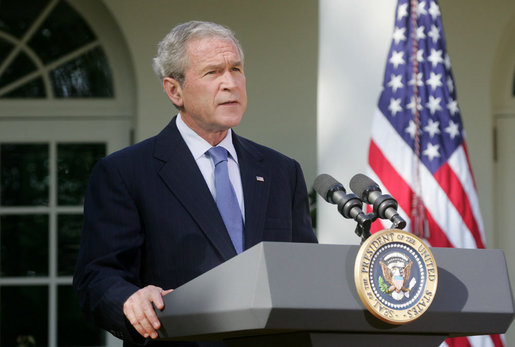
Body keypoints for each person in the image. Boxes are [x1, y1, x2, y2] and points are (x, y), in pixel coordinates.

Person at [73, 20, 317, 346]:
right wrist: (130, 299)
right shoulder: (125, 172)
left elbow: (303, 272)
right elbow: (97, 276)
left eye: (236, 69)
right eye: (213, 72)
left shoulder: (281, 171)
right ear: (175, 90)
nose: (230, 83)